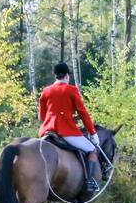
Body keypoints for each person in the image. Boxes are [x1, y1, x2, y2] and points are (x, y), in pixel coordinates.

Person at [37, 62, 101, 193]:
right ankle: (89, 182)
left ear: (55, 75)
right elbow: (83, 113)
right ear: (67, 76)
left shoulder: (46, 91)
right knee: (92, 150)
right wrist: (93, 133)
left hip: (47, 131)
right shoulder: (71, 90)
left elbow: (41, 116)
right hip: (66, 131)